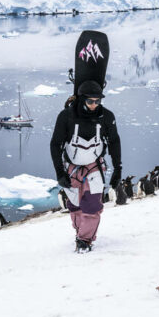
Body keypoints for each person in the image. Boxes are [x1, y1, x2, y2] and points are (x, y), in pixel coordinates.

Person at [50, 80, 122, 252]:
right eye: (90, 101)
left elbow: (114, 142)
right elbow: (55, 144)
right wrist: (60, 172)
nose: (94, 105)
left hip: (94, 166)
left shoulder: (107, 117)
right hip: (72, 166)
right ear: (82, 99)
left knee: (92, 205)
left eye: (98, 101)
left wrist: (118, 169)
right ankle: (79, 231)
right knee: (74, 204)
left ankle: (85, 241)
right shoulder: (66, 116)